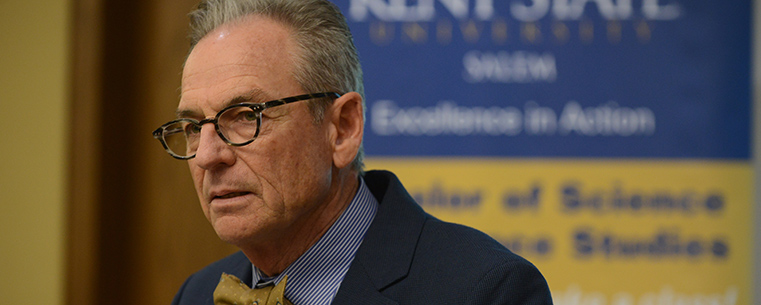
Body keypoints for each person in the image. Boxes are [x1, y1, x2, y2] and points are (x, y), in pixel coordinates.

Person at [153, 0, 553, 304]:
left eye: (244, 116)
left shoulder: (484, 290)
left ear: (342, 129)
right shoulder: (198, 293)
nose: (207, 156)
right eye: (192, 127)